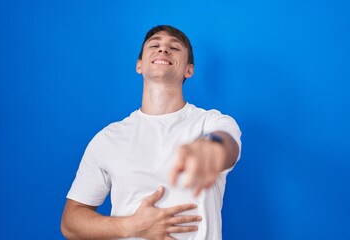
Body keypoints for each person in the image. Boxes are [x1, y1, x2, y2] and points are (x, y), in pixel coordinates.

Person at [61, 25, 242, 240]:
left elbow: (226, 144)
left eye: (174, 47)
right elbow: (70, 223)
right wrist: (130, 227)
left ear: (189, 70)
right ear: (139, 65)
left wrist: (212, 150)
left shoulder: (210, 123)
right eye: (155, 45)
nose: (163, 50)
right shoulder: (108, 138)